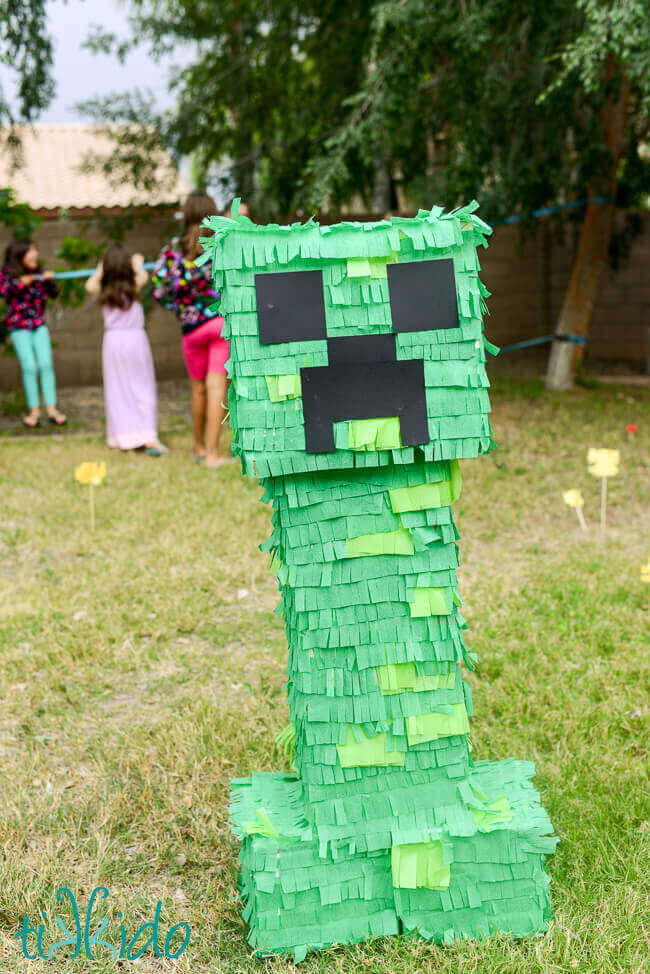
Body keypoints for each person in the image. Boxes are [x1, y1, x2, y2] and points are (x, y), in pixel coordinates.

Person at [151, 189, 229, 467]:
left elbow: (159, 290)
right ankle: (212, 454)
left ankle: (197, 447)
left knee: (197, 388)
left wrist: (182, 309)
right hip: (219, 324)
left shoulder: (173, 249)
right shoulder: (220, 243)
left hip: (190, 329)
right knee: (216, 386)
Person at [86, 243, 167, 455]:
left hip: (113, 342)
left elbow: (89, 285)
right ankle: (147, 436)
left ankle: (123, 437)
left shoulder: (104, 288)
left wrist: (101, 268)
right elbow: (143, 276)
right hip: (135, 340)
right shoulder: (134, 284)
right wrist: (138, 263)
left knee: (118, 389)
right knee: (143, 386)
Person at [0, 239, 66, 428]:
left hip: (38, 325)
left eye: (35, 250)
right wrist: (21, 283)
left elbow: (53, 294)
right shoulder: (7, 274)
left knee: (46, 364)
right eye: (31, 251)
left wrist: (50, 281)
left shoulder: (39, 272)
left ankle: (52, 409)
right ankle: (34, 411)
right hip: (18, 327)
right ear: (20, 256)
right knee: (30, 367)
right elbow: (4, 290)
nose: (35, 254)